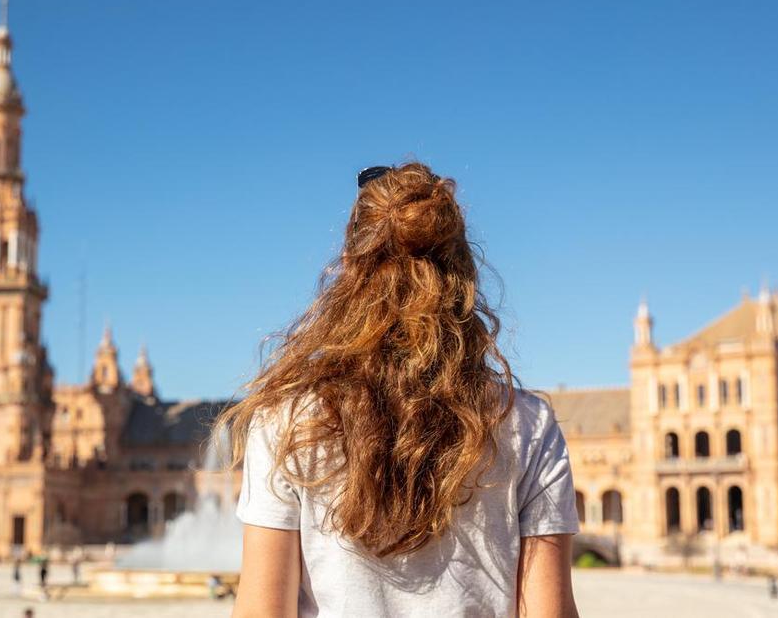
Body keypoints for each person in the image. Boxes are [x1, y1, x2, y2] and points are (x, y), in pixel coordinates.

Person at [220, 163, 581, 617]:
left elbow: (261, 611)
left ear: (349, 271)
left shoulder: (289, 421)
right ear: (463, 274)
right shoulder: (527, 424)